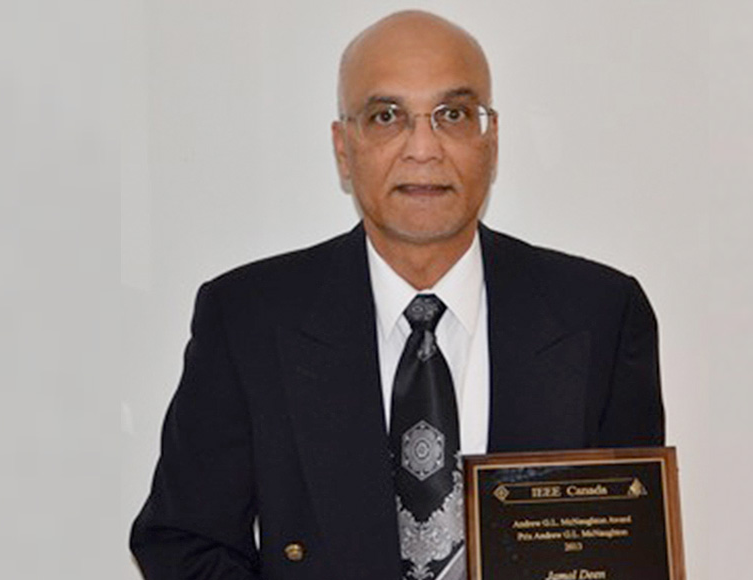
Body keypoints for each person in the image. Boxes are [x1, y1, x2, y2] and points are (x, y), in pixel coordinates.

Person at [131, 10, 663, 580]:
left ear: (491, 140)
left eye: (452, 115)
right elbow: (183, 542)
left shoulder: (600, 315)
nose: (423, 148)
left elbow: (626, 549)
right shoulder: (247, 319)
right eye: (387, 117)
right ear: (343, 147)